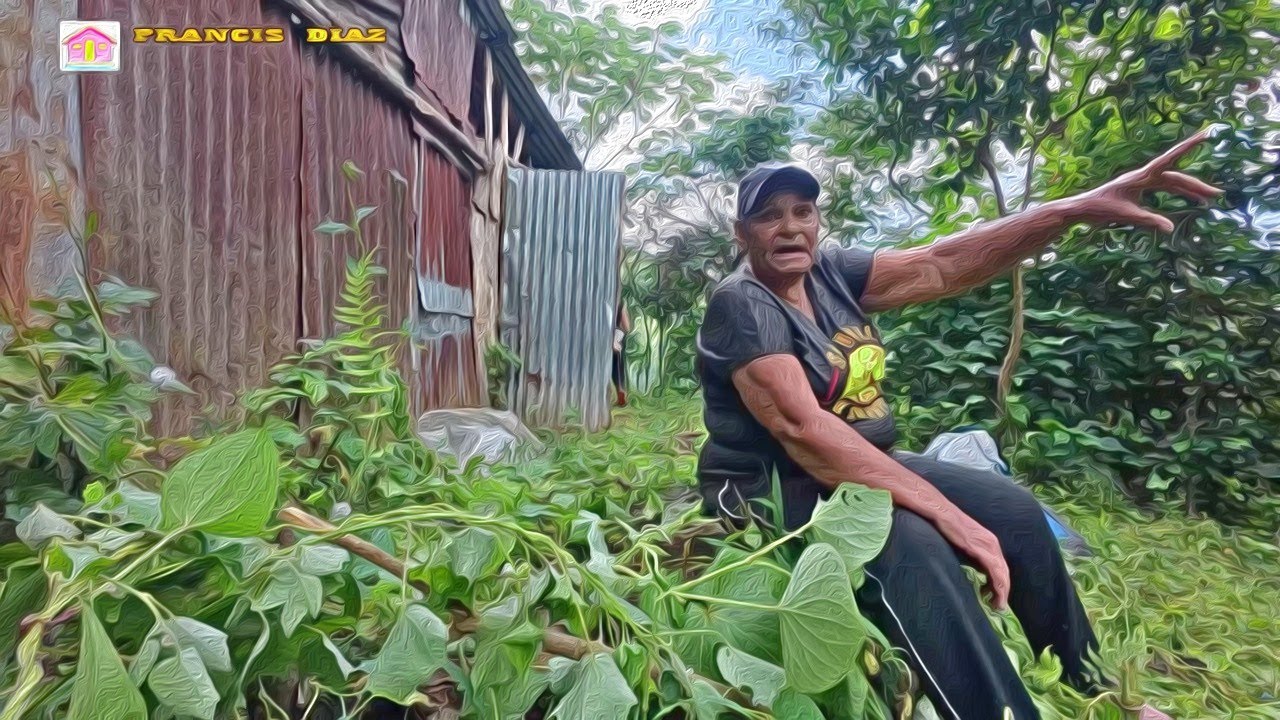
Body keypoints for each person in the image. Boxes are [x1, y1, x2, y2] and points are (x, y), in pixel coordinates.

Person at [695, 129, 1221, 720]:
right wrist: (948, 516)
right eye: (768, 216)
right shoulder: (741, 303)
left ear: (818, 220)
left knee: (1016, 512)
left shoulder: (832, 273)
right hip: (769, 482)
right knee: (916, 546)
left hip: (859, 468)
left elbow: (945, 264)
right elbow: (804, 432)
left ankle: (1091, 685)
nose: (790, 227)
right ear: (742, 236)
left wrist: (1074, 208)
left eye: (802, 211)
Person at [613, 300, 631, 406]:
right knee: (617, 364)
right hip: (616, 333)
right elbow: (627, 326)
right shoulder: (619, 302)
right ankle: (620, 390)